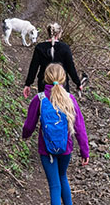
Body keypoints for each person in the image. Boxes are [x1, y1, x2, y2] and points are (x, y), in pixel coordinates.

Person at [22, 63, 89, 205]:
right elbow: (80, 128)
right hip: (66, 147)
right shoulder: (70, 99)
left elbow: (29, 125)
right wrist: (85, 152)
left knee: (54, 185)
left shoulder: (39, 99)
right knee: (63, 177)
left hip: (46, 149)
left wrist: (25, 135)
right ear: (64, 79)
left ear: (45, 78)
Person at [23, 22, 81, 97]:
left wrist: (28, 84)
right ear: (59, 33)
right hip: (62, 84)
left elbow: (33, 67)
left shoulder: (40, 47)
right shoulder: (65, 48)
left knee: (44, 106)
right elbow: (71, 68)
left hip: (43, 83)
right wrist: (78, 83)